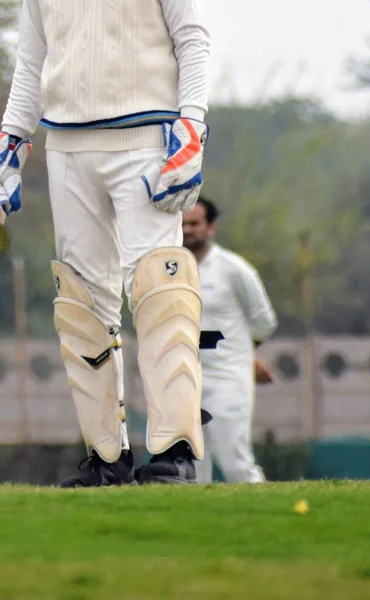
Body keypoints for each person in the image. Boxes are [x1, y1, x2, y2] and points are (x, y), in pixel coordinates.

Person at [0, 0, 211, 487]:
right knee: (81, 304)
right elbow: (32, 60)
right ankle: (106, 459)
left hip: (147, 139)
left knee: (161, 291)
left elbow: (193, 40)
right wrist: (12, 141)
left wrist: (193, 126)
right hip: (67, 146)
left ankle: (173, 451)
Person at [182, 197, 278, 483]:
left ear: (211, 227)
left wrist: (245, 356)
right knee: (191, 472)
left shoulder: (234, 269)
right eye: (183, 223)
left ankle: (267, 521)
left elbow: (264, 322)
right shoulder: (166, 269)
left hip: (227, 379)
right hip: (182, 379)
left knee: (235, 463)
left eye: (195, 223)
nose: (188, 230)